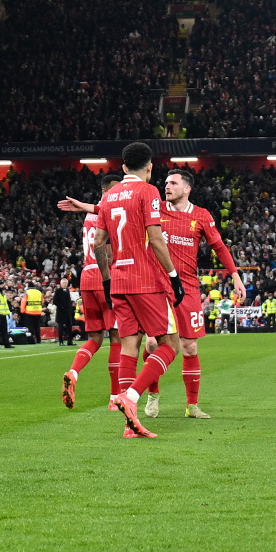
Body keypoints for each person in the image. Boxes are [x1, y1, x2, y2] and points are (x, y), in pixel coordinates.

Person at [94, 142, 184, 439]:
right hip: (146, 280)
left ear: (122, 168)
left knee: (129, 345)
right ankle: (130, 397)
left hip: (118, 281)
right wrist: (173, 276)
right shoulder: (149, 191)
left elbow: (98, 244)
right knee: (171, 345)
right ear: (149, 167)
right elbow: (156, 239)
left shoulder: (108, 197)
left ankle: (128, 425)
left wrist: (107, 282)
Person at [148, 169, 244, 418]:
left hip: (188, 288)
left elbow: (219, 247)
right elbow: (119, 211)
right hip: (158, 286)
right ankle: (153, 395)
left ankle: (192, 405)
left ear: (187, 188)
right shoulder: (155, 208)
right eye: (166, 182)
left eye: (173, 183)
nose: (167, 186)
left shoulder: (201, 215)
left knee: (189, 347)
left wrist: (235, 276)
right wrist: (88, 207)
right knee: (151, 343)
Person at [58, 205, 118, 410]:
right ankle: (114, 397)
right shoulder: (112, 211)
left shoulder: (89, 216)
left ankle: (73, 372)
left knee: (95, 338)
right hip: (105, 277)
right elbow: (108, 252)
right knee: (117, 338)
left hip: (87, 277)